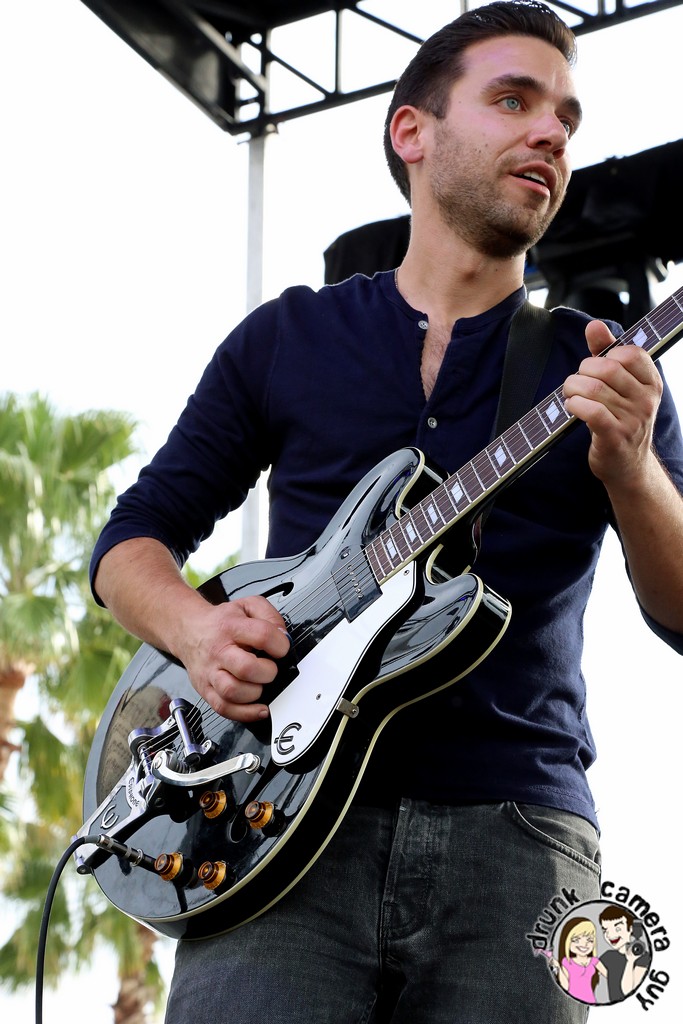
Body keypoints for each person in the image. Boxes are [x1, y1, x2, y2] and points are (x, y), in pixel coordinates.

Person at [89, 2, 683, 1021]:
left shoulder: (599, 366)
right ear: (412, 131)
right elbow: (128, 544)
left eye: (566, 118)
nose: (551, 133)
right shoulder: (288, 336)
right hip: (268, 825)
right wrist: (196, 631)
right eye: (514, 100)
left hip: (522, 841)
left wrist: (629, 467)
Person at [598, 906, 651, 1002]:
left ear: (630, 929)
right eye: (605, 930)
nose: (610, 935)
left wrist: (630, 961)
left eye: (617, 929)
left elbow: (627, 992)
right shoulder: (608, 956)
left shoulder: (643, 957)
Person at [552, 917, 607, 1004]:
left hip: (589, 1000)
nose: (584, 944)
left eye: (590, 940)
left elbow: (610, 976)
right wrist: (558, 968)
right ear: (567, 941)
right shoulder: (567, 962)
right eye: (576, 940)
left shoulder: (594, 961)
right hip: (570, 1001)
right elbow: (565, 986)